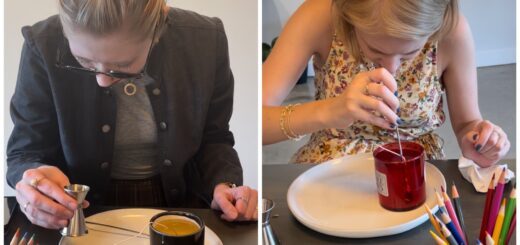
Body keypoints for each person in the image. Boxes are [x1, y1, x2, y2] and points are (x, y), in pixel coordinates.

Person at [7, 0, 257, 229]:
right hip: (76, 215)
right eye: (83, 61)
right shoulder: (41, 44)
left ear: (157, 32)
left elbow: (214, 139)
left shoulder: (205, 41)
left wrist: (226, 184)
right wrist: (32, 181)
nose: (103, 80)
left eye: (122, 66)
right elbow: (25, 152)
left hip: (181, 205)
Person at [263, 0, 510, 166]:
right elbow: (252, 123)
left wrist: (480, 141)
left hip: (416, 176)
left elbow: (468, 124)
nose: (390, 69)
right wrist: (329, 111)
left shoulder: (451, 31)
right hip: (328, 175)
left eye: (409, 53)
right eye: (374, 49)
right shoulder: (321, 15)